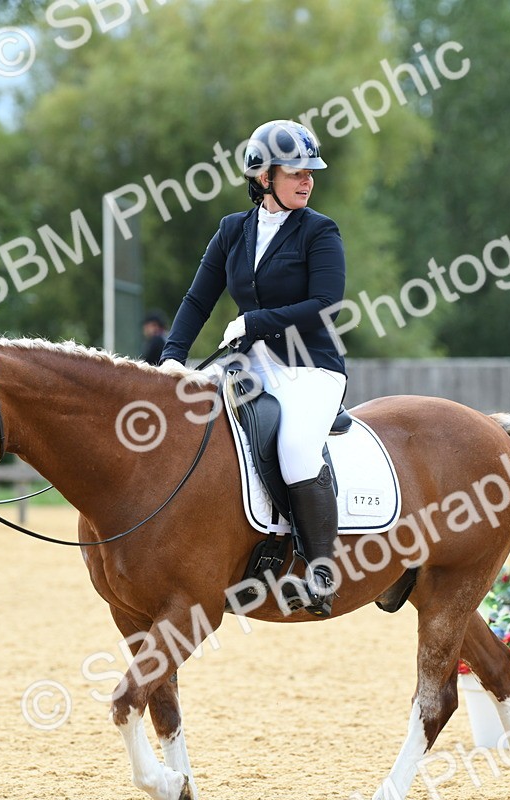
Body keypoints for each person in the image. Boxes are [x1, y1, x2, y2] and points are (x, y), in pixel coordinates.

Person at [159, 119, 347, 617]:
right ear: (263, 177)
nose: (307, 181)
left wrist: (255, 320)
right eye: (296, 173)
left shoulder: (319, 231)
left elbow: (327, 302)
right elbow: (198, 299)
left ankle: (321, 571)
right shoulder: (232, 231)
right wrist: (172, 357)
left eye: (311, 174)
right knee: (192, 424)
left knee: (297, 448)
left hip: (311, 367)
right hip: (249, 366)